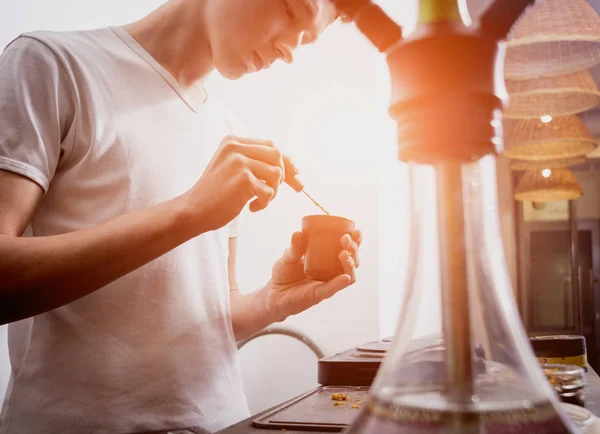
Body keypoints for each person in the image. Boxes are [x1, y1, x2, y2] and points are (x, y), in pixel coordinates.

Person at [0, 0, 362, 432]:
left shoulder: (229, 130)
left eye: (307, 40)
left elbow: (209, 315)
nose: (290, 51)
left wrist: (271, 302)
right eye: (289, 11)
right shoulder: (52, 66)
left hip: (224, 423)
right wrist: (191, 211)